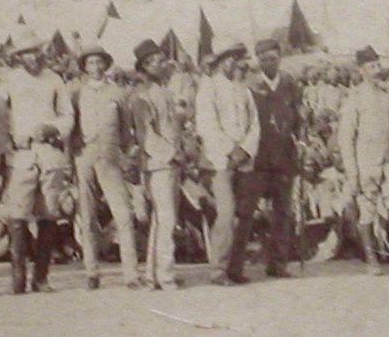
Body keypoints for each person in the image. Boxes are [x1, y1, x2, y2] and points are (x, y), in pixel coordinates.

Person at [0, 30, 75, 294]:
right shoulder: (9, 80)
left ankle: (41, 277)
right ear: (18, 57)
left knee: (49, 214)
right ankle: (18, 277)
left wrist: (52, 129)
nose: (31, 57)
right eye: (25, 53)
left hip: (49, 152)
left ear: (41, 53)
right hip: (22, 153)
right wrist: (5, 145)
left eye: (34, 51)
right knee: (17, 215)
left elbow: (67, 116)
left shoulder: (54, 79)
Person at [71, 45, 143, 290]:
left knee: (123, 214)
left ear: (106, 64)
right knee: (88, 215)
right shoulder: (76, 91)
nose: (95, 67)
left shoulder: (118, 93)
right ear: (84, 66)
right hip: (84, 158)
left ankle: (131, 274)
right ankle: (92, 272)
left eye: (99, 62)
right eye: (90, 63)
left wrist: (129, 157)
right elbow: (70, 128)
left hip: (111, 159)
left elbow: (126, 132)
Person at [195, 40, 261, 285]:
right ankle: (218, 270)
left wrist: (245, 149)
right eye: (228, 58)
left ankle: (236, 267)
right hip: (219, 161)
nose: (232, 63)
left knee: (245, 213)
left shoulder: (243, 89)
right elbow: (207, 125)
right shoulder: (208, 87)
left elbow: (254, 124)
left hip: (243, 160)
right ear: (219, 61)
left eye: (236, 58)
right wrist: (230, 149)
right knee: (226, 212)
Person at [240, 38, 303, 279]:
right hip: (258, 158)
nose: (269, 63)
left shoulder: (289, 83)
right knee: (247, 210)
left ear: (280, 59)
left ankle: (278, 263)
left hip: (284, 157)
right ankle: (237, 266)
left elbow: (298, 115)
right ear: (258, 60)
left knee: (283, 211)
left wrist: (301, 140)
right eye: (264, 59)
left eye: (273, 59)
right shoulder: (251, 86)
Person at [337, 46, 389, 275]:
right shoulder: (354, 100)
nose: (377, 70)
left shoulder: (388, 97)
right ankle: (371, 260)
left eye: (378, 65)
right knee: (368, 210)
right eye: (371, 66)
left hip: (388, 161)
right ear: (361, 71)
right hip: (366, 163)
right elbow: (345, 139)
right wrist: (352, 172)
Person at [131, 40, 184, 289]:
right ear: (147, 66)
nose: (165, 65)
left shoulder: (165, 92)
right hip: (158, 164)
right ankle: (165, 275)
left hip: (170, 163)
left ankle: (154, 274)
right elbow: (147, 136)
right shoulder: (142, 97)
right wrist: (172, 154)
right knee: (167, 218)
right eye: (159, 62)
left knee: (161, 221)